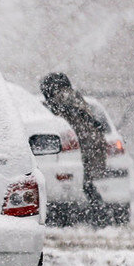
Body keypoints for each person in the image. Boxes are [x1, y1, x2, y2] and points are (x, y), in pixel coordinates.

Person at [40, 73, 108, 207]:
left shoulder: (62, 100)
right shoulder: (74, 99)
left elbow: (69, 125)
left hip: (84, 149)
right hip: (91, 147)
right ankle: (100, 216)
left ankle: (100, 217)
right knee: (86, 185)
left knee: (85, 185)